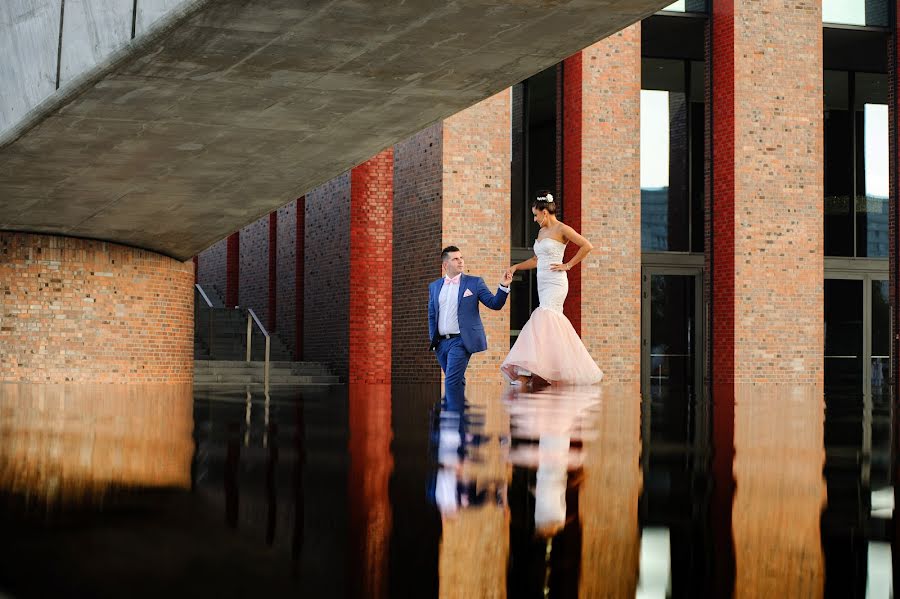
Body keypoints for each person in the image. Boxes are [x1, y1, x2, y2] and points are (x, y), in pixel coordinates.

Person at [501, 191, 603, 386]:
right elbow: (536, 259)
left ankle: (525, 372)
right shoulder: (540, 233)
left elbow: (587, 246)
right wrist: (515, 267)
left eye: (535, 214)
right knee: (549, 325)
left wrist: (568, 265)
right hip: (543, 282)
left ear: (544, 212)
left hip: (556, 282)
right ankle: (555, 369)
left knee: (542, 316)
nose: (534, 218)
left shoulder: (562, 229)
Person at [429, 246, 513, 404]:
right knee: (456, 380)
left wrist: (503, 286)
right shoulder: (434, 287)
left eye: (461, 258)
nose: (460, 261)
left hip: (461, 341)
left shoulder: (474, 283)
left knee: (451, 382)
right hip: (441, 344)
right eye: (455, 259)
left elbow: (494, 304)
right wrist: (433, 340)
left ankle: (451, 425)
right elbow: (432, 315)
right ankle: (462, 421)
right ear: (445, 265)